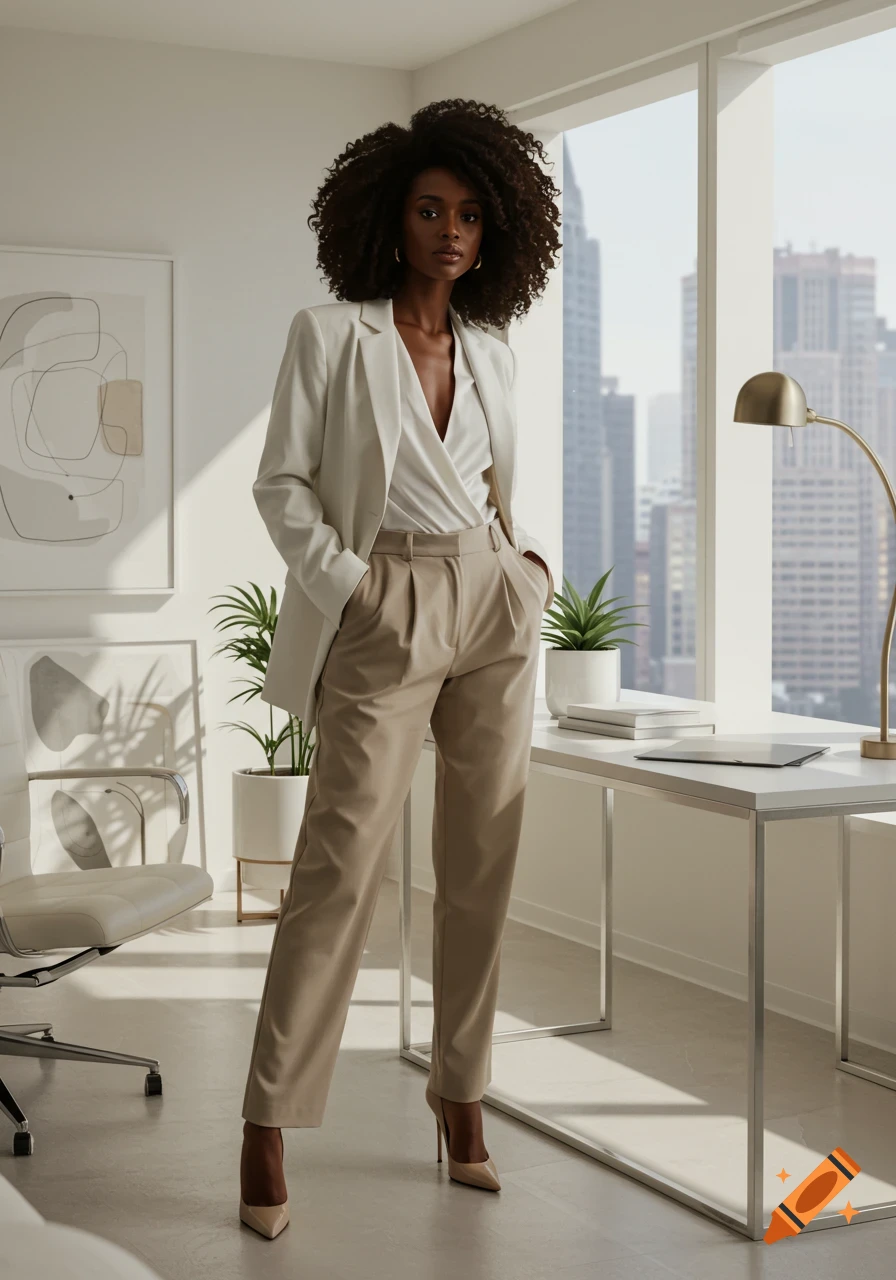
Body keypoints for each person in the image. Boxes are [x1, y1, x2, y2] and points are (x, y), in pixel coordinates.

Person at [238, 97, 562, 1240]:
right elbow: (281, 484)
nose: (450, 231)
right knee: (338, 871)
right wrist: (351, 585)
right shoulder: (330, 336)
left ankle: (460, 1093)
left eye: (469, 214)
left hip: (488, 603)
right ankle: (268, 1115)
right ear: (389, 217)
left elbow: (491, 480)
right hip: (382, 602)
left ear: (494, 230)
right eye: (430, 210)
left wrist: (520, 564)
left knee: (481, 863)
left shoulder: (491, 350)